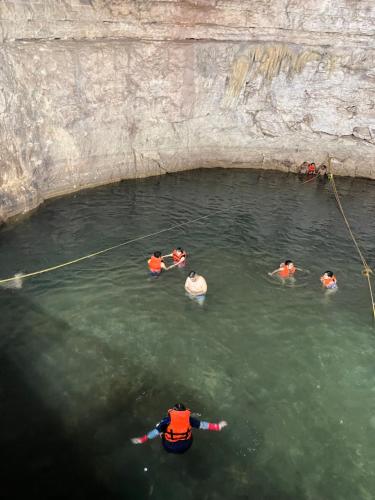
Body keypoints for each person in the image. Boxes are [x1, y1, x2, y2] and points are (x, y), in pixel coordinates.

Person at [131, 403, 227, 454]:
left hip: (168, 447)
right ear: (184, 412)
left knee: (159, 427)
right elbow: (203, 425)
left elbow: (154, 432)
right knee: (192, 426)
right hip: (186, 447)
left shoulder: (167, 420)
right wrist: (218, 426)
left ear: (172, 411)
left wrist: (142, 439)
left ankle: (164, 435)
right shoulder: (189, 419)